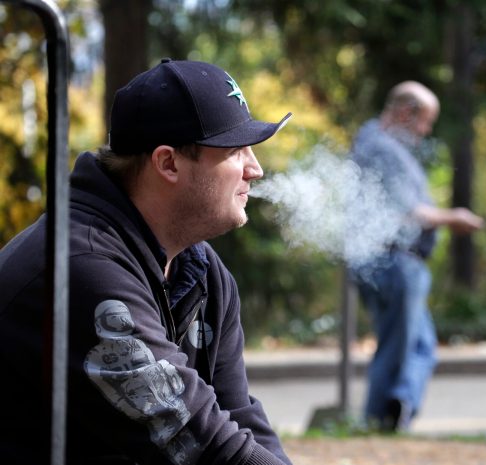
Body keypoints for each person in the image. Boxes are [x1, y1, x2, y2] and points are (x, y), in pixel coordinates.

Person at [0, 58, 294, 464]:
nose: (255, 169)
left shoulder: (203, 271)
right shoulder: (83, 268)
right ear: (168, 163)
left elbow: (239, 416)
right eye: (235, 150)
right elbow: (199, 442)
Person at [349, 81, 485, 432]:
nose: (425, 131)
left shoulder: (379, 144)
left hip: (393, 261)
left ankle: (400, 403)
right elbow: (408, 213)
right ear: (406, 113)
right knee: (398, 345)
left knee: (421, 343)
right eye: (424, 121)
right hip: (394, 261)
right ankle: (381, 418)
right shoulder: (381, 147)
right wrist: (453, 217)